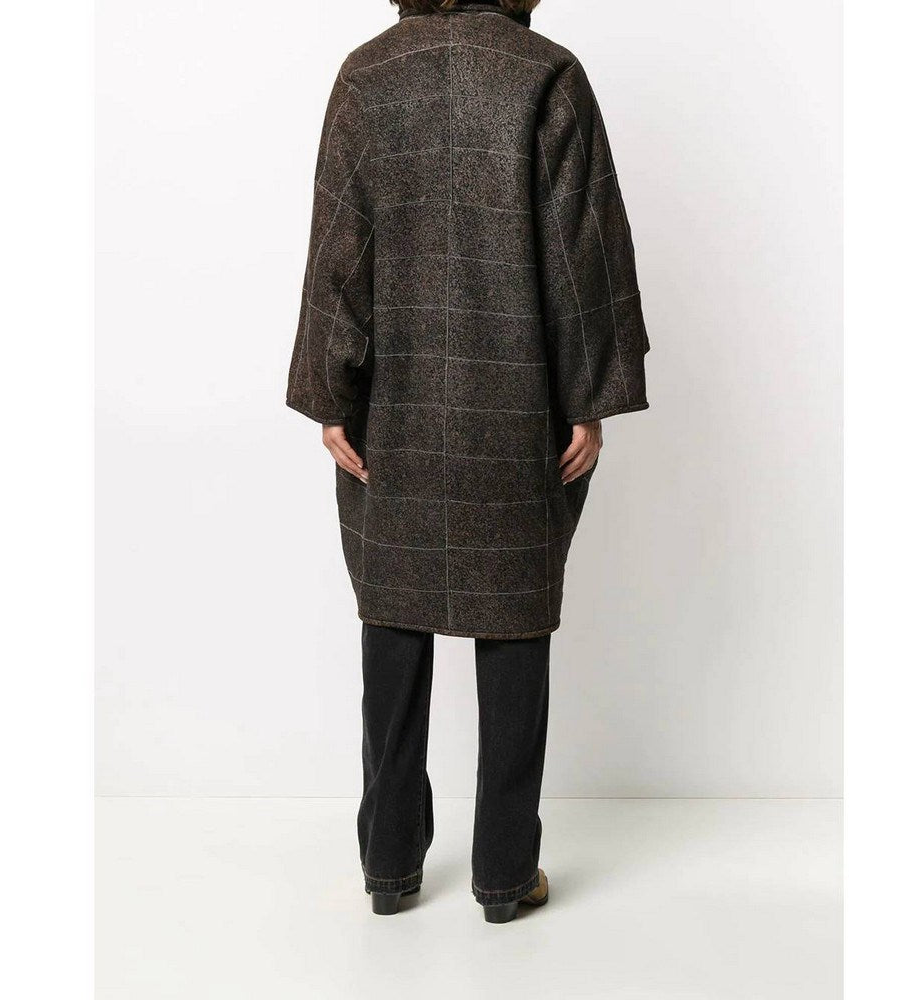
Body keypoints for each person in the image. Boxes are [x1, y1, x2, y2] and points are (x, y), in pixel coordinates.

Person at [286, 0, 650, 923]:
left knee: (393, 616)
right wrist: (589, 396)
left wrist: (331, 392)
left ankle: (389, 868)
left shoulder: (366, 76)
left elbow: (340, 248)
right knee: (514, 617)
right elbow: (582, 250)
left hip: (394, 408)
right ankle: (504, 876)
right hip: (516, 401)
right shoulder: (547, 73)